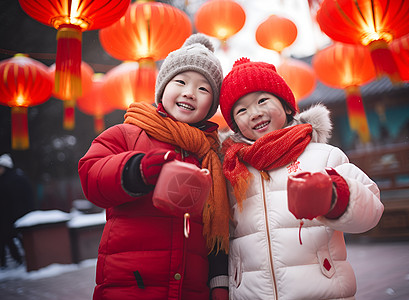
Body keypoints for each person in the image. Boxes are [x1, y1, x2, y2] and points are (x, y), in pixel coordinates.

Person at [78, 34, 230, 300]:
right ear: (163, 88)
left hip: (191, 290)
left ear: (211, 105)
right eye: (180, 82)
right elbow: (92, 175)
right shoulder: (129, 134)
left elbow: (218, 228)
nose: (189, 93)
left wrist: (218, 284)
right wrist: (138, 170)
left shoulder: (211, 155)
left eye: (203, 89)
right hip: (131, 284)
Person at [219, 58, 384, 299]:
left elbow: (372, 209)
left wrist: (335, 196)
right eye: (241, 110)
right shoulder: (234, 170)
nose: (254, 113)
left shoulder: (324, 156)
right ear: (235, 125)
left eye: (262, 100)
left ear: (287, 106)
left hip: (321, 289)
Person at [0, 153, 34, 268]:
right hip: (20, 213)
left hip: (11, 215)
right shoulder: (19, 177)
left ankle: (17, 260)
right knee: (18, 238)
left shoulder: (7, 180)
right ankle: (25, 258)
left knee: (9, 238)